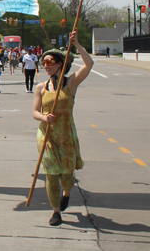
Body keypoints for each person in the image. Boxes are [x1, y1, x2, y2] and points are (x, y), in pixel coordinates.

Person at [32, 31, 93, 226]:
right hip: (47, 135)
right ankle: (56, 211)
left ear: (60, 64)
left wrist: (76, 44)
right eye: (44, 63)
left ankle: (66, 193)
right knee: (51, 175)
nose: (46, 66)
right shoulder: (40, 87)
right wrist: (44, 117)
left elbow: (89, 64)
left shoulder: (71, 83)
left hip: (66, 135)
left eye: (50, 62)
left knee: (66, 175)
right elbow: (34, 112)